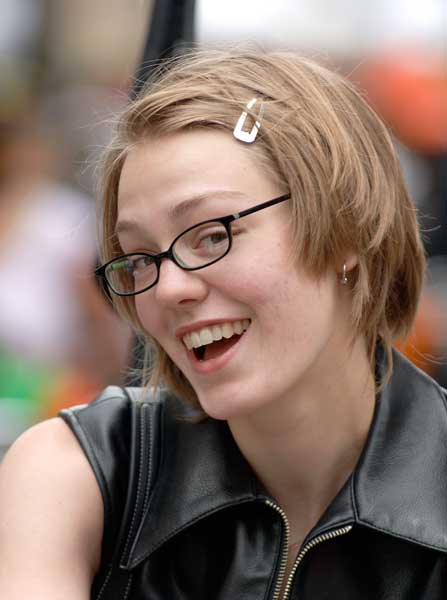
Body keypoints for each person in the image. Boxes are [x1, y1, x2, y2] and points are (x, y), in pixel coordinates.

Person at [0, 49, 445, 600]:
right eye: (139, 258)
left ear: (344, 233)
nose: (168, 289)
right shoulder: (86, 471)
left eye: (211, 235)